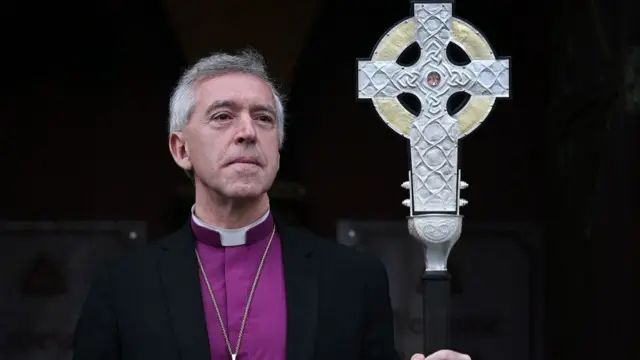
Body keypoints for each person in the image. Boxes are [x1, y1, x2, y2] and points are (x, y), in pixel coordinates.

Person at [72, 49, 471, 360]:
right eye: (223, 116)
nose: (247, 132)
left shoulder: (352, 280)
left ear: (278, 149)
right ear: (181, 150)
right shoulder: (122, 287)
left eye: (264, 119)